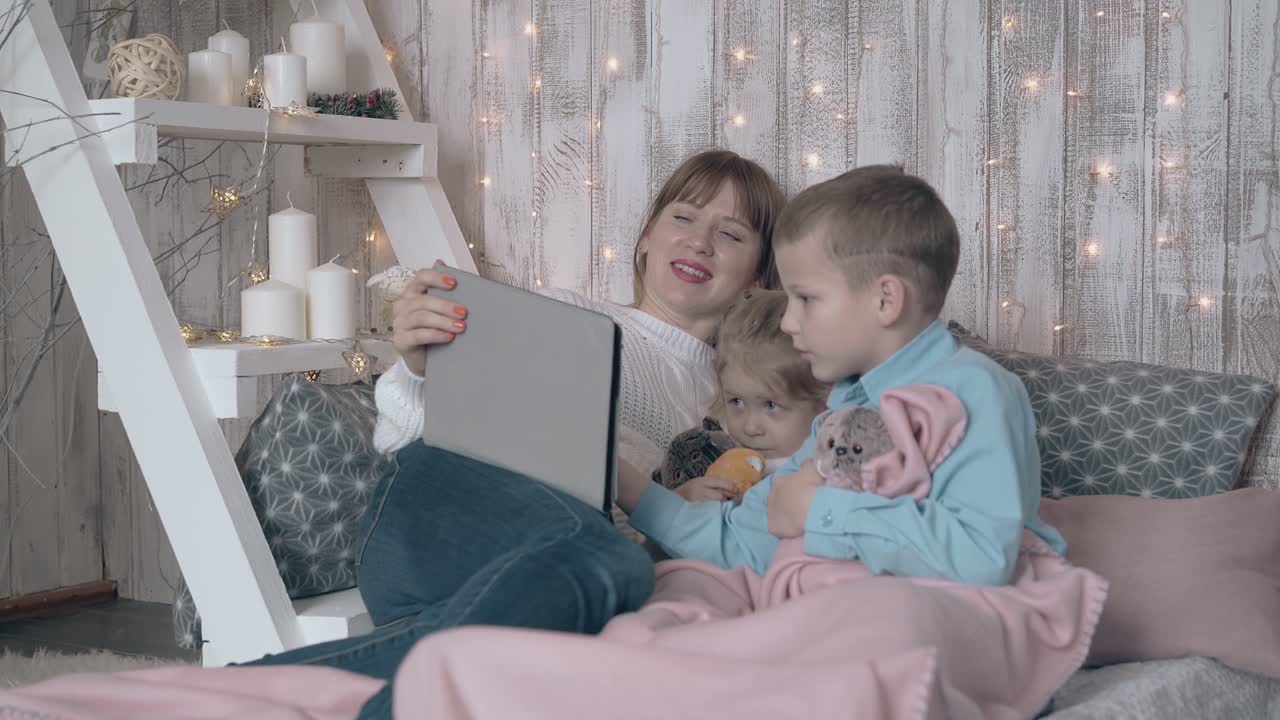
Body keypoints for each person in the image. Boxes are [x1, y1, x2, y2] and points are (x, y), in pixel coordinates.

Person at [246, 149, 786, 719]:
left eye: (729, 234)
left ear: (757, 279)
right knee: (615, 570)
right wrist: (418, 368)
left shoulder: (744, 408)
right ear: (647, 237)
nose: (700, 241)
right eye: (683, 218)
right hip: (442, 518)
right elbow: (404, 438)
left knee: (605, 594)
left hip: (543, 581)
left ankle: (260, 690)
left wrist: (682, 513)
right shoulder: (563, 313)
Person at [621, 165, 1066, 584]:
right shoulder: (839, 411)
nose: (790, 323)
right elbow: (744, 542)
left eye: (806, 300)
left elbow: (983, 558)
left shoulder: (975, 388)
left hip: (951, 622)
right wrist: (625, 484)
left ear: (885, 300)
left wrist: (822, 511)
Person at [654, 289, 828, 502]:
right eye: (736, 401)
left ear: (823, 403)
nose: (750, 427)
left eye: (771, 405)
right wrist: (683, 500)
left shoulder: (830, 475)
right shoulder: (717, 459)